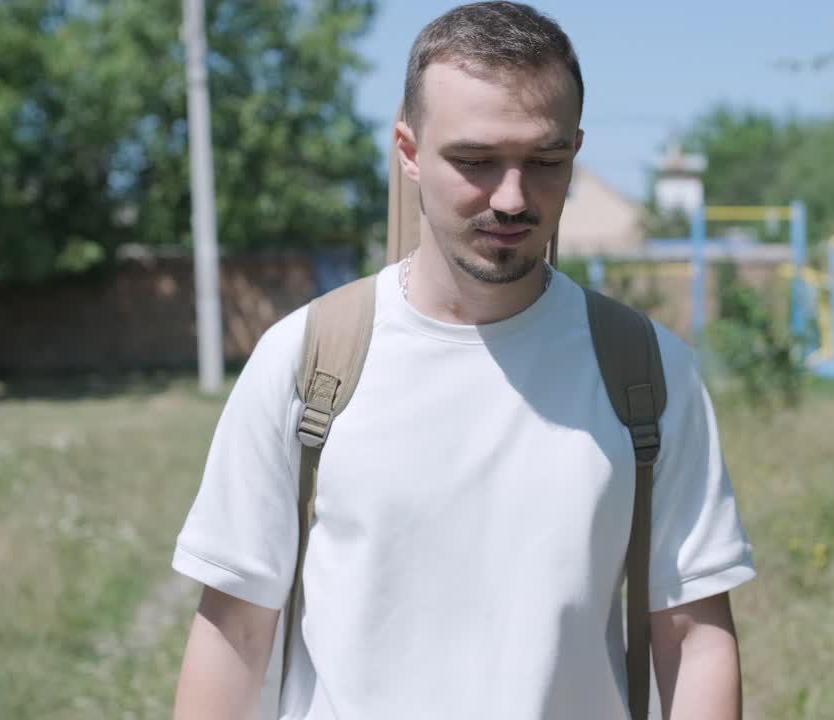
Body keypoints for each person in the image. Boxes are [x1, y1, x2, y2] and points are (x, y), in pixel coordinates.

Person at [170, 3, 754, 718]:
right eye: (475, 161)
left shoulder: (645, 373)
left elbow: (694, 639)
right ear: (409, 152)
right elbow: (234, 631)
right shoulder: (308, 359)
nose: (511, 198)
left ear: (576, 149)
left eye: (545, 162)